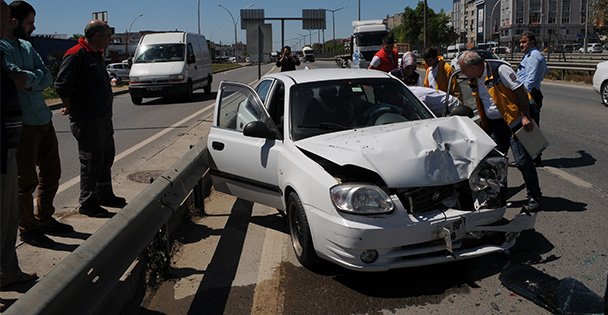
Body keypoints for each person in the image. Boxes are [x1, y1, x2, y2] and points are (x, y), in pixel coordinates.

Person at [0, 0, 73, 248]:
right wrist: (33, 77)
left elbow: (47, 76)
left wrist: (30, 77)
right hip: (23, 124)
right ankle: (27, 227)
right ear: (14, 21)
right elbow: (14, 77)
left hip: (43, 118)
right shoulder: (3, 47)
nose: (33, 27)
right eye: (29, 22)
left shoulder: (27, 46)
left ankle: (44, 217)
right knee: (26, 180)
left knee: (52, 173)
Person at [54, 20, 126, 218]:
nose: (110, 40)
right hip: (88, 120)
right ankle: (88, 201)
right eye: (107, 36)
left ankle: (105, 194)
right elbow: (61, 84)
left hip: (103, 118)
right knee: (91, 161)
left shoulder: (96, 54)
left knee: (105, 157)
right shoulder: (76, 54)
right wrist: (68, 105)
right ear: (96, 36)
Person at [457, 50, 542, 211]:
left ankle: (534, 195)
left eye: (464, 70)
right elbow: (482, 102)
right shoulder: (474, 79)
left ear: (474, 67)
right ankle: (499, 197)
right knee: (495, 163)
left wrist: (525, 116)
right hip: (495, 125)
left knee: (522, 161)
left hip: (514, 121)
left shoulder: (500, 70)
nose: (463, 73)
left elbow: (520, 90)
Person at [0, 0, 37, 289]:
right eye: (5, 17)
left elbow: (26, 78)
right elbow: (16, 80)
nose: (10, 22)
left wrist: (22, 79)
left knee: (7, 218)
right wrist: (18, 79)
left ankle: (8, 271)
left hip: (7, 145)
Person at [517, 31, 547, 166]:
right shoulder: (532, 55)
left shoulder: (534, 56)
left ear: (532, 42)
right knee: (531, 125)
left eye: (524, 42)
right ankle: (534, 157)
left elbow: (531, 78)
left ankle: (535, 158)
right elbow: (546, 70)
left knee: (530, 125)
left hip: (530, 94)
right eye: (520, 42)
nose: (521, 44)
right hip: (532, 92)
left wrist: (524, 96)